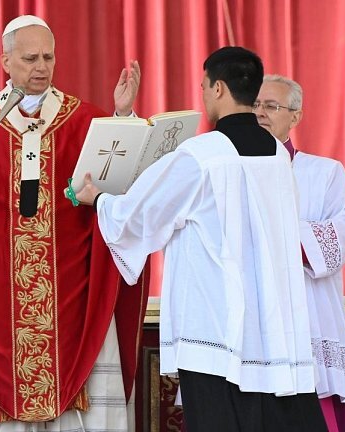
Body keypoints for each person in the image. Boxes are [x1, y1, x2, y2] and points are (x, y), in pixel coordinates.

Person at [0, 14, 149, 432]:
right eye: (30, 58)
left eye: (48, 58)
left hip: (72, 287)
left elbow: (118, 182)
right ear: (5, 61)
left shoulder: (84, 120)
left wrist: (122, 117)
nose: (41, 67)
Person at [75, 47, 328, 431]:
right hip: (272, 327)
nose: (204, 94)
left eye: (205, 87)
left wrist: (100, 200)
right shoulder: (277, 153)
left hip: (215, 329)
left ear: (220, 88)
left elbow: (141, 216)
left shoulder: (201, 155)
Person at [254, 74, 345, 431]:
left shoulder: (324, 173)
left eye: (271, 106)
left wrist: (284, 237)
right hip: (252, 323)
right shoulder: (228, 171)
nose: (260, 113)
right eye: (255, 105)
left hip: (308, 320)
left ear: (296, 116)